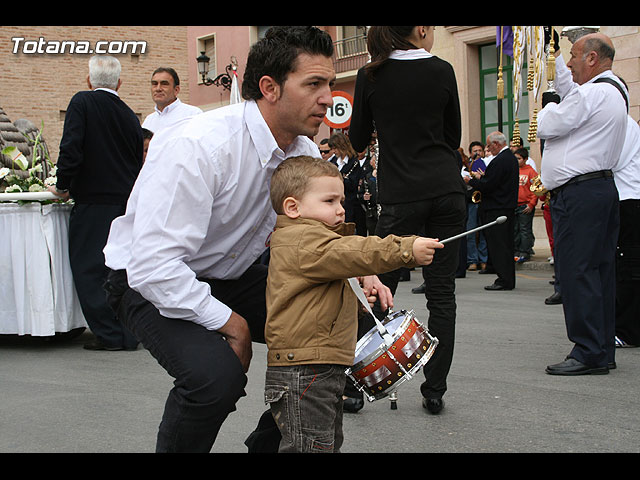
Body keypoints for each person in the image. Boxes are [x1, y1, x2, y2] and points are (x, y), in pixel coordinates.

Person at [101, 26, 390, 453]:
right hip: (146, 278)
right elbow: (153, 265)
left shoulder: (306, 154)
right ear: (270, 88)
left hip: (231, 272)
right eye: (313, 84)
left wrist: (362, 268)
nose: (328, 97)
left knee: (353, 338)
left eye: (329, 83)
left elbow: (316, 234)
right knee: (215, 377)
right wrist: (231, 323)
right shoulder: (200, 146)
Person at [264, 155, 442, 452]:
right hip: (305, 370)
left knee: (324, 444)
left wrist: (354, 303)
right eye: (329, 201)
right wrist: (406, 248)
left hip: (318, 365)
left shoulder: (313, 241)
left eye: (341, 200)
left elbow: (317, 298)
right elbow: (357, 251)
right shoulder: (303, 240)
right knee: (312, 447)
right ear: (293, 207)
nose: (340, 209)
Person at [349, 26, 466, 415]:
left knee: (379, 288)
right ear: (420, 30)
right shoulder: (443, 69)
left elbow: (359, 136)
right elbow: (453, 135)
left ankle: (357, 383)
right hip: (447, 190)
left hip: (402, 195)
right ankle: (435, 390)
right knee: (441, 293)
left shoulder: (371, 75)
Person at [539, 32, 628, 376]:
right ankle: (601, 348)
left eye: (575, 56)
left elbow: (550, 123)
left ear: (592, 59)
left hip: (580, 195)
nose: (571, 63)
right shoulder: (609, 91)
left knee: (578, 272)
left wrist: (548, 103)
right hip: (598, 191)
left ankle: (588, 350)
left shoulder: (592, 93)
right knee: (599, 273)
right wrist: (556, 56)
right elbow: (570, 87)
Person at [48, 55, 143, 351]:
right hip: (124, 203)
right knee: (118, 269)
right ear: (120, 82)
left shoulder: (82, 102)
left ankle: (110, 334)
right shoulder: (129, 115)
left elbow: (71, 148)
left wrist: (63, 185)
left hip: (93, 202)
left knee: (89, 268)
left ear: (89, 81)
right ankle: (128, 331)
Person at [466, 131, 519, 291]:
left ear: (496, 144)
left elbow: (489, 185)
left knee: (500, 245)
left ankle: (504, 279)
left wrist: (473, 180)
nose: (488, 149)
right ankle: (506, 277)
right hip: (503, 207)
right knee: (504, 245)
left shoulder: (502, 160)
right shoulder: (509, 158)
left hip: (497, 208)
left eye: (489, 146)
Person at [611, 85, 640, 348]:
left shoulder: (625, 125)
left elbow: (613, 161)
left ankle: (628, 330)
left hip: (628, 200)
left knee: (628, 268)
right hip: (624, 199)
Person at [141, 67, 202, 138]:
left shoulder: (193, 115)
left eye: (164, 84)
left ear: (176, 90)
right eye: (155, 84)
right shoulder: (148, 121)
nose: (158, 89)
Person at [328, 131, 366, 235]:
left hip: (351, 204)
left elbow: (352, 184)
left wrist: (341, 178)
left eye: (335, 148)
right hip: (336, 203)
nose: (333, 151)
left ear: (342, 146)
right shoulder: (332, 162)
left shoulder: (354, 162)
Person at [465, 141, 488, 271]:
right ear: (470, 153)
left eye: (480, 150)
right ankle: (472, 260)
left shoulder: (487, 165)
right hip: (471, 203)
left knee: (484, 232)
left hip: (484, 202)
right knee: (471, 232)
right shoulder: (465, 167)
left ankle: (483, 259)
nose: (477, 153)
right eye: (475, 151)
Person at [513, 147, 538, 263]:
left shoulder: (531, 172)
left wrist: (532, 204)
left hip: (526, 206)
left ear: (525, 159)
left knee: (525, 229)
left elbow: (536, 190)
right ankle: (516, 250)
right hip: (515, 205)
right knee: (515, 229)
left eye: (519, 158)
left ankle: (525, 251)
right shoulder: (513, 170)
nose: (516, 160)